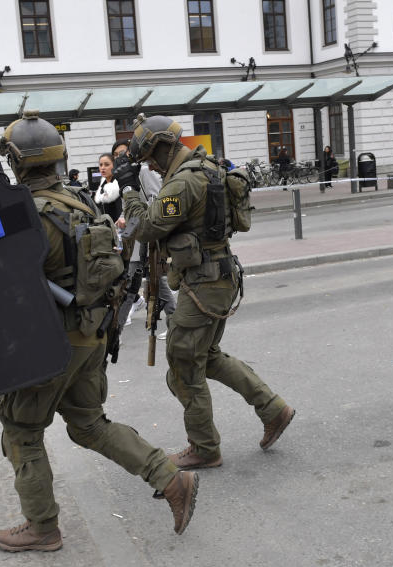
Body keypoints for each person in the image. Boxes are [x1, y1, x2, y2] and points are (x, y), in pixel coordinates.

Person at [0, 111, 198, 552]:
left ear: (18, 162)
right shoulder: (79, 201)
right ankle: (170, 478)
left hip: (52, 343)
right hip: (90, 338)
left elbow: (7, 289)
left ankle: (42, 527)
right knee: (87, 424)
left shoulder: (28, 215)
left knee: (20, 429)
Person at [118, 115, 296, 470]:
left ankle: (204, 446)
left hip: (205, 282)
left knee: (183, 366)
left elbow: (148, 226)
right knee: (207, 356)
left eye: (152, 157)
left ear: (166, 148)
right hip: (217, 277)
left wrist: (129, 192)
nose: (150, 165)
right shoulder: (207, 166)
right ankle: (273, 408)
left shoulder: (184, 181)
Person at [112, 139, 175, 338]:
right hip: (134, 237)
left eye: (124, 154)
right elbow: (128, 206)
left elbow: (156, 200)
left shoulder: (145, 172)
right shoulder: (126, 175)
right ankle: (175, 321)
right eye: (116, 156)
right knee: (150, 281)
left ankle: (116, 331)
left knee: (132, 283)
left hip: (146, 236)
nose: (120, 159)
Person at [94, 153, 122, 219]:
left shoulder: (119, 184)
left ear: (114, 165)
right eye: (101, 165)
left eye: (106, 165)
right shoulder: (102, 186)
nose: (103, 168)